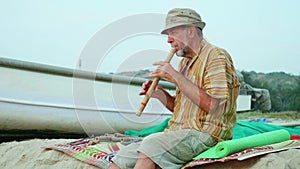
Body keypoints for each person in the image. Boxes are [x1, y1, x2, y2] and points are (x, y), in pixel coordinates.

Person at [108, 8, 240, 169]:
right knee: (123, 157)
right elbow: (182, 109)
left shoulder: (215, 56)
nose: (168, 40)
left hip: (206, 134)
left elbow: (214, 106)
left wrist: (176, 77)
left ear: (190, 31)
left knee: (151, 146)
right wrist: (160, 94)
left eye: (173, 32)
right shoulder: (184, 62)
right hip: (178, 132)